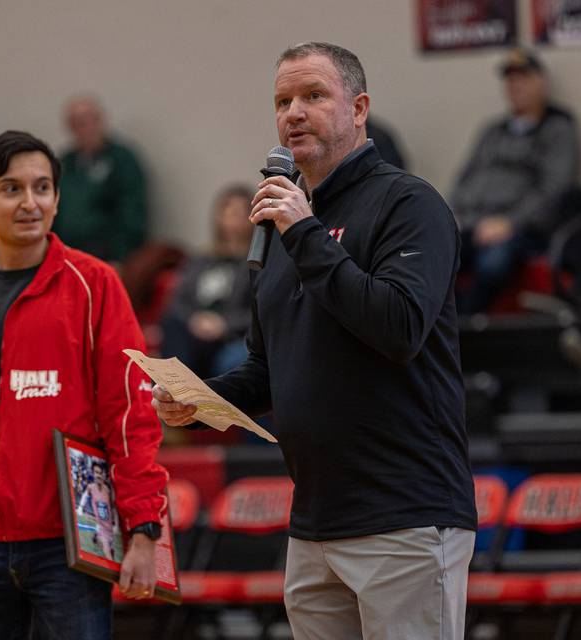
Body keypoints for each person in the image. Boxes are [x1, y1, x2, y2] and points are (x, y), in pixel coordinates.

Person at [153, 42, 477, 640]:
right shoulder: (284, 224)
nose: (293, 112)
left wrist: (304, 232)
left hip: (403, 515)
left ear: (358, 109)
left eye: (313, 96)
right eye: (282, 101)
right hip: (314, 521)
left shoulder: (409, 203)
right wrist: (197, 400)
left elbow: (398, 327)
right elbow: (266, 368)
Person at [0, 130, 167, 639]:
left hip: (67, 548)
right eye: (11, 189)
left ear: (56, 198)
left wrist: (144, 530)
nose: (31, 202)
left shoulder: (95, 286)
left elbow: (129, 415)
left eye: (43, 187)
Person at [450, 49, 580, 314]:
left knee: (493, 264)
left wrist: (509, 223)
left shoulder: (558, 130)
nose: (516, 85)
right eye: (510, 80)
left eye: (524, 78)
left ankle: (466, 327)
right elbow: (464, 180)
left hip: (519, 230)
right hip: (471, 224)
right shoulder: (492, 131)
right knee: (432, 257)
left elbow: (553, 190)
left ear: (541, 83)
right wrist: (452, 216)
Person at [160, 184, 254, 379]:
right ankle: (175, 391)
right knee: (172, 324)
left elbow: (259, 312)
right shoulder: (201, 260)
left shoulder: (257, 263)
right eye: (227, 213)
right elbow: (178, 301)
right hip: (194, 331)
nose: (232, 220)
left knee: (232, 358)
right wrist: (195, 320)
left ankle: (184, 393)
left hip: (230, 336)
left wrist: (223, 324)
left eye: (238, 213)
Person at [52, 96, 148, 265]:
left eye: (90, 120)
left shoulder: (121, 159)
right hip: (65, 253)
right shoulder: (66, 162)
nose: (85, 128)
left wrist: (120, 255)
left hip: (107, 255)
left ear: (101, 121)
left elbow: (132, 210)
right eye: (77, 123)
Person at [78, 462, 117, 561]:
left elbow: (113, 507)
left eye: (100, 473)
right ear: (93, 473)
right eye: (96, 472)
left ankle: (97, 538)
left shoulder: (108, 490)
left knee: (112, 553)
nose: (98, 475)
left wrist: (115, 524)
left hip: (110, 529)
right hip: (101, 527)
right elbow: (85, 496)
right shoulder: (91, 487)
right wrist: (80, 507)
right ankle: (98, 536)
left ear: (104, 474)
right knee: (108, 554)